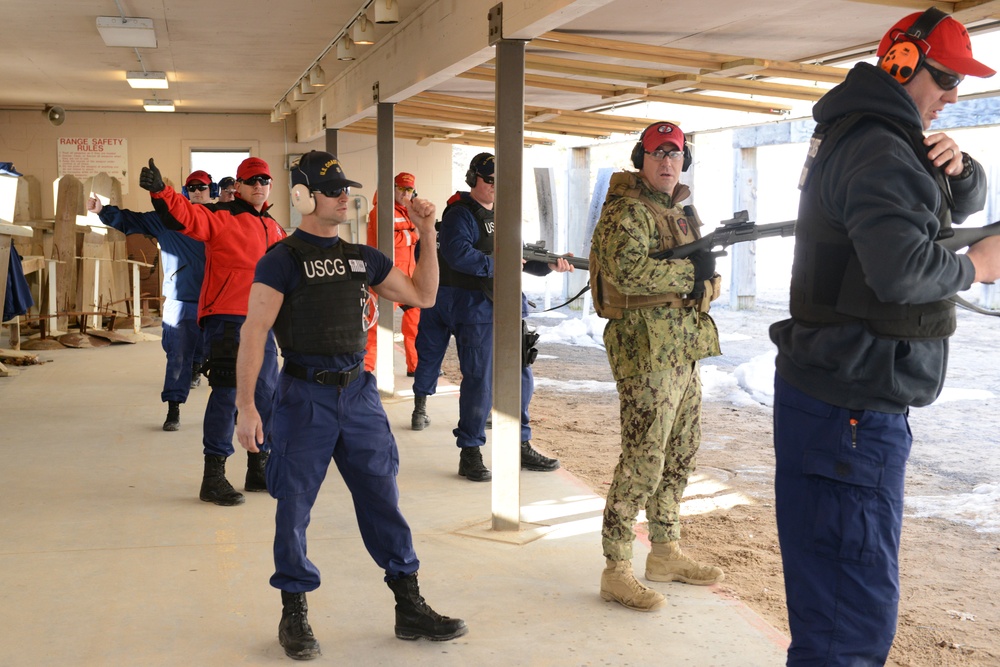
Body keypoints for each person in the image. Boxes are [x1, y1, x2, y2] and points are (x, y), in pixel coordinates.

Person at [769, 9, 1000, 664]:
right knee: (849, 627)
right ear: (901, 64)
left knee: (837, 613)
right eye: (947, 76)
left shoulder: (869, 133)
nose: (954, 95)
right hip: (852, 408)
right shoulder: (879, 146)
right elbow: (901, 267)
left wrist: (960, 173)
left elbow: (929, 203)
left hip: (838, 398)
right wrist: (981, 265)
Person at [234, 150, 467, 660]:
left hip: (358, 394)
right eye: (333, 188)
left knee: (383, 497)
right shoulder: (282, 260)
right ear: (301, 196)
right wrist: (247, 406)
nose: (345, 195)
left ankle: (409, 605)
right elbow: (254, 332)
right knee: (293, 506)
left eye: (346, 187)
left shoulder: (362, 257)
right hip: (302, 396)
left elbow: (424, 297)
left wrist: (429, 233)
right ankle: (293, 611)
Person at [589, 121, 724, 612]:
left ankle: (665, 551)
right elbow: (626, 270)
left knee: (681, 453)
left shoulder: (682, 211)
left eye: (676, 153)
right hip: (646, 353)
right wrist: (693, 274)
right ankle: (617, 567)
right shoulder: (626, 211)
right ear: (640, 159)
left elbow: (705, 277)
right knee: (643, 458)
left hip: (683, 350)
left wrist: (705, 282)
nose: (668, 161)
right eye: (657, 153)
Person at [414, 152, 570, 482]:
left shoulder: (505, 213)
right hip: (474, 307)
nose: (497, 187)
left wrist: (551, 263)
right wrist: (500, 264)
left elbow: (522, 255)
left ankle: (520, 443)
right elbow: (457, 254)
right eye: (490, 181)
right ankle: (470, 450)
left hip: (506, 303)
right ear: (474, 180)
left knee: (521, 376)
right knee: (480, 380)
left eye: (503, 182)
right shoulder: (460, 214)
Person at [139, 156, 286, 507]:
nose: (259, 186)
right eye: (252, 180)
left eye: (264, 180)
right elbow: (186, 216)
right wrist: (162, 191)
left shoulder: (275, 228)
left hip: (263, 323)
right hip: (228, 321)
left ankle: (258, 466)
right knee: (228, 394)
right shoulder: (223, 217)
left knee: (265, 395)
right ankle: (214, 476)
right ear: (238, 185)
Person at [85, 169, 212, 431]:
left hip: (215, 300)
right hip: (181, 299)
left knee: (223, 355)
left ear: (212, 191)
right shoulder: (165, 220)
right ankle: (174, 408)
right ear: (185, 192)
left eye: (203, 187)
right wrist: (102, 210)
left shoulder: (221, 219)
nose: (198, 191)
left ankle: (209, 381)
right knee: (176, 354)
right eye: (193, 187)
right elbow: (131, 220)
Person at [364, 172, 421, 376]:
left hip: (409, 278)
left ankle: (415, 366)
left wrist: (406, 234)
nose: (405, 193)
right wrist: (412, 234)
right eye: (401, 188)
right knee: (375, 327)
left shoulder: (409, 210)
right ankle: (366, 370)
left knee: (415, 327)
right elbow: (387, 241)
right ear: (392, 188)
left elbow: (414, 235)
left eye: (409, 189)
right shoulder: (380, 211)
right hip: (384, 278)